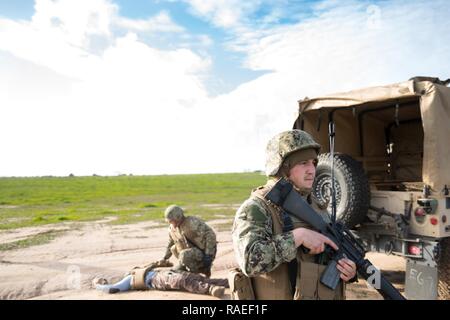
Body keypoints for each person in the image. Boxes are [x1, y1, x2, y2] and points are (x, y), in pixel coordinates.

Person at [231, 129, 357, 300]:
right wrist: (297, 237)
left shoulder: (316, 206)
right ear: (283, 167)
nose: (312, 170)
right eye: (303, 163)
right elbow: (249, 261)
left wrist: (348, 270)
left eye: (313, 162)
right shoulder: (257, 208)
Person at [92, 260, 229, 298]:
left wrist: (160, 263)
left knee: (193, 278)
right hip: (158, 279)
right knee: (183, 281)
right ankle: (212, 289)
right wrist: (97, 285)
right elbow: (112, 289)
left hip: (165, 274)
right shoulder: (128, 280)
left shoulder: (139, 271)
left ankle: (227, 282)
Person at [160, 205, 217, 278]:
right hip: (187, 255)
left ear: (178, 217)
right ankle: (186, 267)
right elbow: (170, 243)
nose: (171, 223)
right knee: (174, 248)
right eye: (169, 221)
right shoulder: (172, 229)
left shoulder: (192, 223)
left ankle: (197, 275)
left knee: (184, 254)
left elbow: (210, 234)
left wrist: (208, 255)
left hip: (202, 254)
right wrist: (164, 258)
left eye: (172, 221)